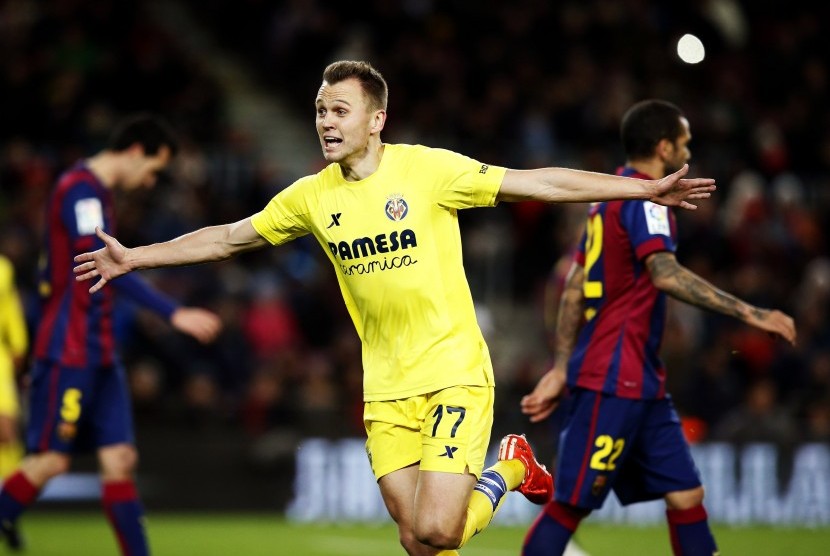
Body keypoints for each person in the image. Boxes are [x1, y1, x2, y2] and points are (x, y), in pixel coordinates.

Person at [73, 62, 715, 556]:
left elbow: (539, 182)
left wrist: (640, 186)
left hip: (454, 371)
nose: (326, 121)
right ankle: (514, 466)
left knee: (438, 526)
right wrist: (137, 257)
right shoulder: (310, 198)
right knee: (418, 542)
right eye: (321, 110)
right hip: (385, 388)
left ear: (376, 119)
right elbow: (228, 237)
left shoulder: (429, 172)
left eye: (340, 111)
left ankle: (512, 466)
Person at [519, 99, 796, 556]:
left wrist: (563, 365)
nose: (688, 154)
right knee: (570, 505)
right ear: (664, 147)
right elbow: (664, 273)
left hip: (641, 381)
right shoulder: (647, 197)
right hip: (613, 378)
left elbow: (573, 286)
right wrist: (753, 313)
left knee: (687, 495)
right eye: (684, 144)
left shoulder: (606, 197)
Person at [0, 113, 223, 554]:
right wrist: (172, 312)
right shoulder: (80, 191)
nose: (147, 183)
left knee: (121, 460)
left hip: (100, 349)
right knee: (50, 462)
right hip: (69, 348)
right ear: (136, 150)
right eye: (153, 171)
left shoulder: (96, 194)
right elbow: (104, 262)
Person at [0, 255, 28, 480]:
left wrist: (19, 344)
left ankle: (8, 497)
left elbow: (10, 306)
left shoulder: (3, 268)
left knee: (5, 427)